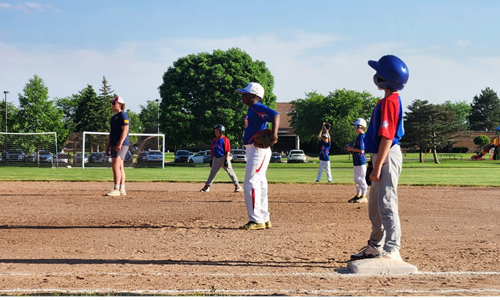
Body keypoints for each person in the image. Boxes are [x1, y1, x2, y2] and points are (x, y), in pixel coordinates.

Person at [350, 55, 408, 262]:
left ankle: (393, 249)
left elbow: (387, 137)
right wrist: (374, 162)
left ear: (384, 79)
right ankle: (375, 246)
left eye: (378, 73)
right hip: (381, 155)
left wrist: (377, 167)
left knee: (386, 202)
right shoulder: (385, 101)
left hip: (388, 154)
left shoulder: (391, 102)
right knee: (374, 204)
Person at [236, 82, 280, 230]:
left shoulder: (257, 108)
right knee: (260, 183)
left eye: (245, 94)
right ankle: (264, 218)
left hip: (257, 150)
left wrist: (274, 134)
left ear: (254, 96)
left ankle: (256, 220)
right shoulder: (252, 109)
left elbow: (275, 115)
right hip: (255, 150)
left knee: (250, 183)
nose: (242, 96)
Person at [200, 124, 243, 193]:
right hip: (215, 159)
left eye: (217, 130)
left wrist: (226, 159)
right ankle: (207, 187)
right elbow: (212, 151)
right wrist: (211, 159)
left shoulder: (225, 139)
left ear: (221, 131)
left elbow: (228, 150)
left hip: (223, 158)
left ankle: (237, 186)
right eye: (215, 130)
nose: (215, 132)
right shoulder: (214, 140)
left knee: (230, 172)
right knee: (212, 173)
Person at [105, 96, 130, 197]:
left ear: (120, 104)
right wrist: (108, 146)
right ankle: (122, 188)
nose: (112, 105)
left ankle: (116, 188)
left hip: (121, 144)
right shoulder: (113, 118)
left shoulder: (123, 115)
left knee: (115, 165)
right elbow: (111, 133)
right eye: (112, 103)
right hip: (115, 143)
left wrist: (120, 143)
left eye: (114, 103)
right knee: (120, 166)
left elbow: (125, 130)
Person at [346, 118, 368, 203]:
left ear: (362, 127)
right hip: (356, 161)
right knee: (356, 179)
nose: (355, 128)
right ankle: (358, 195)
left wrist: (351, 148)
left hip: (360, 161)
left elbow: (362, 150)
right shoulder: (358, 137)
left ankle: (364, 196)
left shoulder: (362, 137)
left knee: (361, 179)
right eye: (355, 126)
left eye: (357, 126)